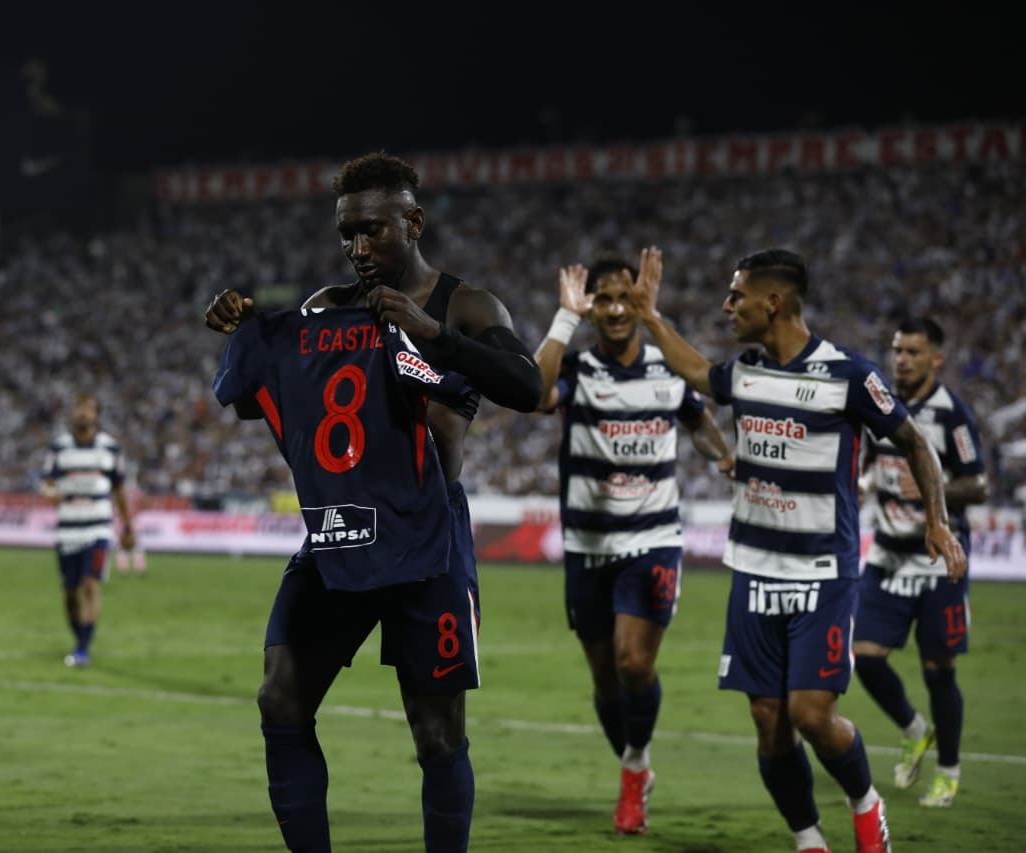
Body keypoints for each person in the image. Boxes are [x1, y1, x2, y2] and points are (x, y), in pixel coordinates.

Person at [205, 151, 542, 853]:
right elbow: (268, 403)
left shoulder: (467, 305)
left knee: (437, 733)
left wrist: (434, 333)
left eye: (374, 231)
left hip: (429, 539)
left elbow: (526, 386)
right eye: (347, 234)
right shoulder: (324, 309)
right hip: (340, 529)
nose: (358, 249)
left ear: (413, 222)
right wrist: (242, 322)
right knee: (280, 695)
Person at [625, 247, 967, 853]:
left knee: (812, 714)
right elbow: (700, 373)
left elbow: (918, 444)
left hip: (821, 573)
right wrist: (651, 319)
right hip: (753, 571)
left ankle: (865, 806)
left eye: (737, 296)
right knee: (767, 722)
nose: (728, 306)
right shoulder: (748, 370)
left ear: (773, 301)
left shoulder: (848, 376)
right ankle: (809, 839)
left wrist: (936, 522)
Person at [532, 255, 733, 834]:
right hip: (588, 545)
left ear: (638, 303)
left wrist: (722, 454)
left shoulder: (667, 370)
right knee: (604, 678)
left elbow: (698, 419)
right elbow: (538, 396)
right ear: (591, 306)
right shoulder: (577, 368)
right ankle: (633, 766)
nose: (616, 309)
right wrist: (563, 321)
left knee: (633, 661)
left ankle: (634, 768)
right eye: (604, 299)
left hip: (652, 539)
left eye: (625, 297)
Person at [854, 317, 987, 808]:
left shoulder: (953, 415)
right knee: (864, 657)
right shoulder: (881, 403)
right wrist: (866, 484)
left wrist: (935, 489)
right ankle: (914, 729)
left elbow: (979, 483)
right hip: (888, 554)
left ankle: (948, 771)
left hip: (937, 561)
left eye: (912, 351)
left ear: (936, 359)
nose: (902, 359)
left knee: (939, 669)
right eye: (897, 350)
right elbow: (869, 459)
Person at [39, 392, 136, 667]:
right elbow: (46, 483)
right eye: (78, 408)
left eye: (88, 409)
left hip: (98, 528)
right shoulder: (59, 448)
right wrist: (50, 493)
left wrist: (128, 526)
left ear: (96, 414)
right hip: (68, 530)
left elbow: (119, 490)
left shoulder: (110, 449)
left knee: (90, 584)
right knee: (70, 592)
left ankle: (83, 647)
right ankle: (80, 637)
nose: (82, 413)